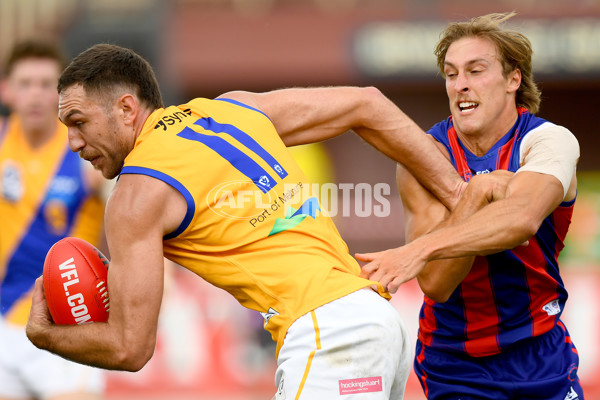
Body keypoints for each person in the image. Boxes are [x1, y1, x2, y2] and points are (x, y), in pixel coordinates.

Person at [25, 43, 466, 399]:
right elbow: (368, 104)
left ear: (125, 108)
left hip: (327, 334)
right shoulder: (233, 110)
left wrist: (44, 336)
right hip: (376, 321)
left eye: (78, 122)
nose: (72, 142)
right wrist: (458, 193)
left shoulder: (135, 193)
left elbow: (129, 347)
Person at [357, 13, 583, 400]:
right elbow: (435, 284)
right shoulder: (426, 155)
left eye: (476, 71)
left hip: (541, 349)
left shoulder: (549, 142)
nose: (461, 85)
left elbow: (522, 218)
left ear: (514, 80)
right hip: (455, 359)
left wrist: (420, 248)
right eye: (451, 74)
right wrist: (478, 194)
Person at [0, 39, 106, 400]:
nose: (35, 95)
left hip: (70, 326)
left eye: (46, 85)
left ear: (62, 93)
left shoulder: (86, 151)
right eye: (25, 84)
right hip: (4, 325)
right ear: (7, 89)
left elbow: (133, 209)